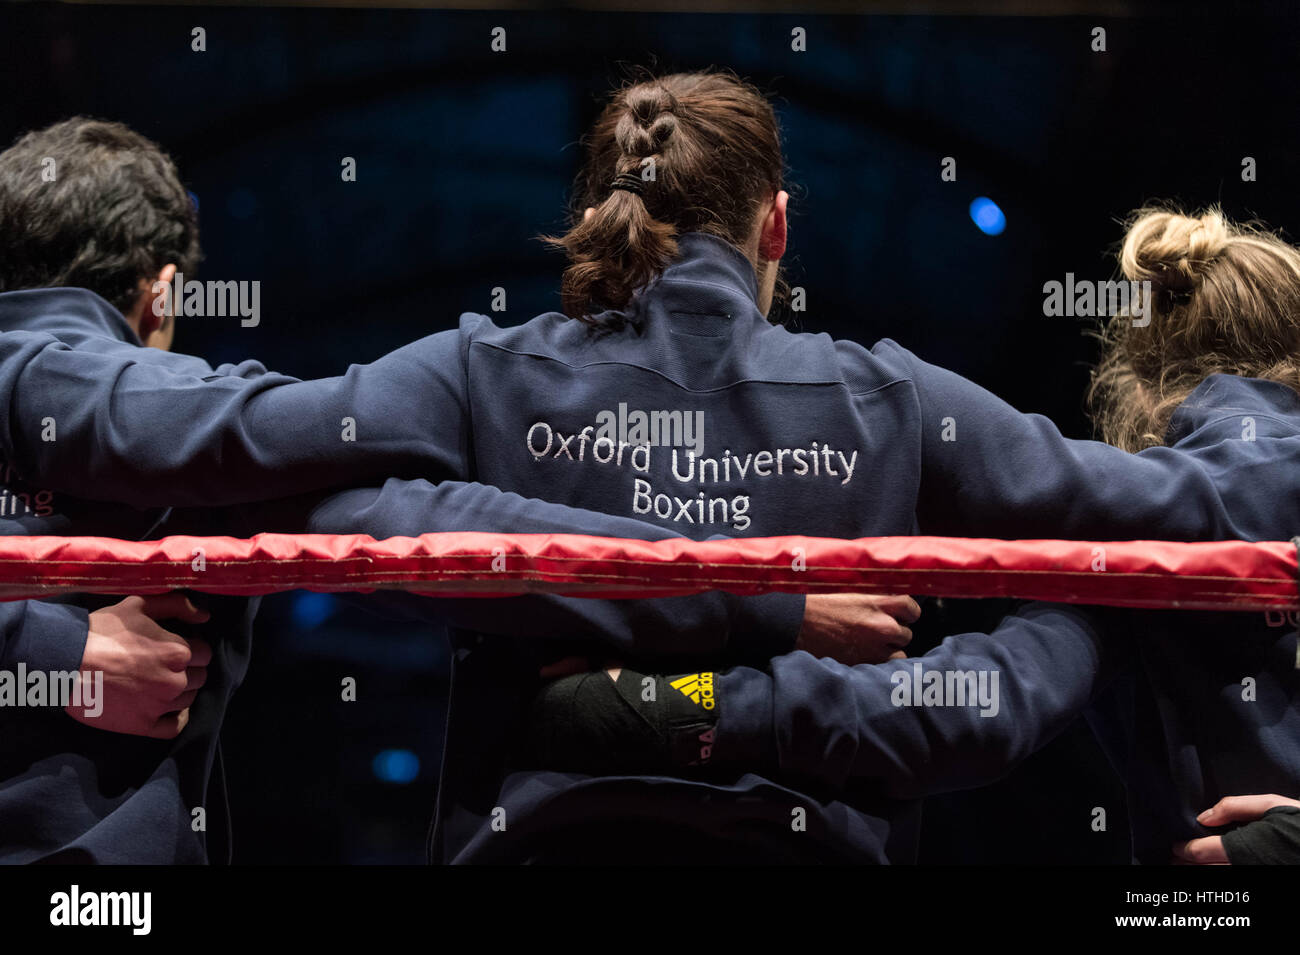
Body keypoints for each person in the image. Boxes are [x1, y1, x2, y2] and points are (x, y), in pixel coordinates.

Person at [0, 71, 1283, 863]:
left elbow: (309, 487)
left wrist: (607, 620)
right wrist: (1244, 374)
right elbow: (1194, 521)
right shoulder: (890, 394)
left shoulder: (480, 372)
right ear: (777, 225)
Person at [0, 117, 888, 863]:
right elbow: (415, 517)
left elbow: (409, 522)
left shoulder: (191, 439)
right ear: (160, 296)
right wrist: (52, 655)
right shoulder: (190, 430)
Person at [535, 206, 1300, 865]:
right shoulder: (1134, 544)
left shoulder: (1137, 516)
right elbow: (981, 702)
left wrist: (688, 706)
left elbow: (969, 706)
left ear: (1138, 386)